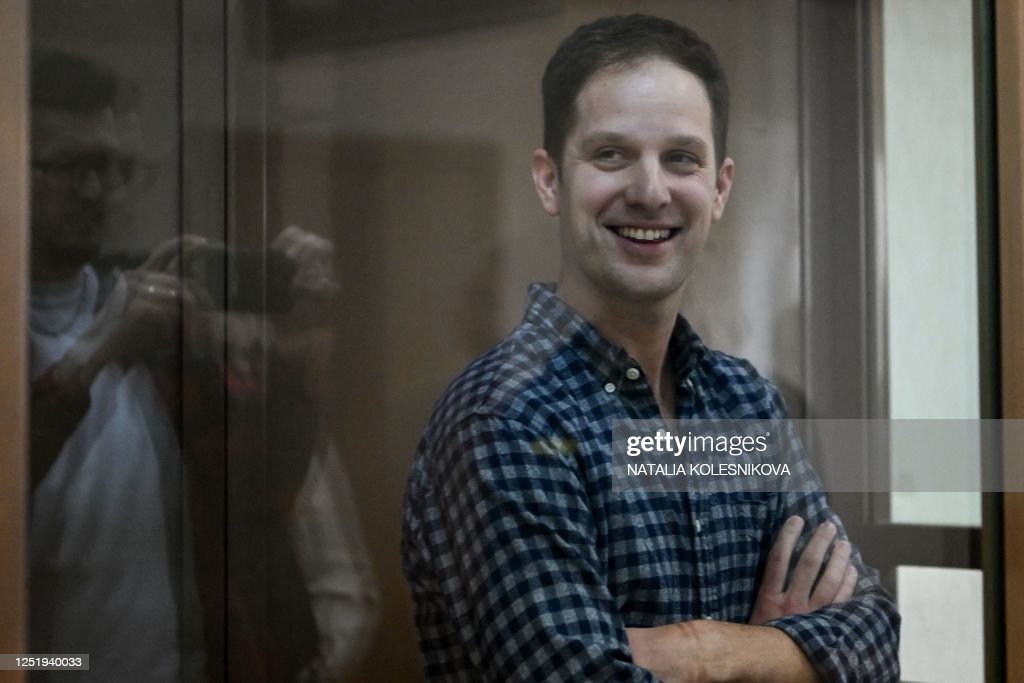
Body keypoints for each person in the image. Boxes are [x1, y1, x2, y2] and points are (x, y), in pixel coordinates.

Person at [402, 14, 900, 682]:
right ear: (550, 180)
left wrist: (706, 650)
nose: (650, 190)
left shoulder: (743, 403)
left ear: (720, 187)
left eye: (681, 159)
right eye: (611, 154)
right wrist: (784, 655)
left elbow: (874, 642)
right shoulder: (506, 422)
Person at [28, 50, 376, 682]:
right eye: (75, 167)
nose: (101, 191)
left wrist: (289, 353)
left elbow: (273, 507)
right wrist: (98, 352)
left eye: (119, 168)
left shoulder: (160, 330)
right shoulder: (79, 338)